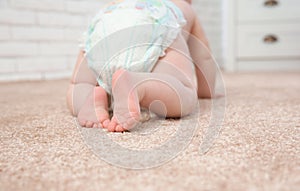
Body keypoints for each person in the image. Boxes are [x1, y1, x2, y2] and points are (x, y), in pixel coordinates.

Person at [67, 0, 216, 132]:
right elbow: (204, 56)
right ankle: (139, 86)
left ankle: (91, 98)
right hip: (154, 23)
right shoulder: (181, 6)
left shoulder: (114, 5)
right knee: (182, 90)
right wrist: (205, 92)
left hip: (104, 28)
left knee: (79, 84)